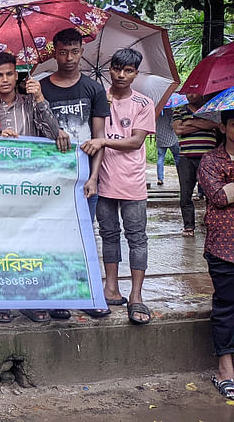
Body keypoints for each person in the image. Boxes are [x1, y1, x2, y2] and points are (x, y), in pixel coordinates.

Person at [0, 51, 67, 324]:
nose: (5, 79)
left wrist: (41, 97)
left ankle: (33, 300)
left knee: (31, 243)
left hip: (31, 184)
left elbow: (54, 134)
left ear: (16, 75)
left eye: (10, 74)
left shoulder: (31, 102)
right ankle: (1, 301)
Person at [81, 49, 155, 325]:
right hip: (102, 179)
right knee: (108, 234)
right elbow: (89, 133)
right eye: (117, 69)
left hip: (132, 181)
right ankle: (111, 288)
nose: (121, 75)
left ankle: (136, 295)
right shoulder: (97, 98)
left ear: (136, 73)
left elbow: (136, 141)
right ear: (109, 69)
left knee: (137, 237)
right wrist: (102, 105)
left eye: (128, 71)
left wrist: (103, 142)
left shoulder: (143, 103)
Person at [39, 28, 109, 222]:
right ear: (55, 53)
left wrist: (94, 178)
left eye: (74, 51)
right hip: (51, 175)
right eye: (63, 52)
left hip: (84, 175)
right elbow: (35, 131)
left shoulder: (94, 89)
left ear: (81, 52)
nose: (69, 58)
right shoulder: (41, 89)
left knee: (83, 231)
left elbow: (99, 138)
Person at [198, 109, 234, 400]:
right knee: (227, 306)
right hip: (224, 247)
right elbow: (219, 196)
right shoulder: (210, 160)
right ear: (223, 128)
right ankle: (225, 370)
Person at [173, 92, 218, 237]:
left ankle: (212, 224)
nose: (190, 95)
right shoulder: (179, 110)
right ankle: (189, 227)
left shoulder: (210, 108)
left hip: (208, 158)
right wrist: (202, 125)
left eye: (194, 92)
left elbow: (214, 124)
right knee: (185, 194)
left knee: (211, 194)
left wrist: (190, 122)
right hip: (186, 157)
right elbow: (178, 129)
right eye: (188, 92)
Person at [156, 106, 180, 186]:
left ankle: (160, 178)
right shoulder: (171, 112)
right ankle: (181, 176)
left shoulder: (157, 111)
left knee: (160, 158)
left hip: (160, 138)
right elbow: (172, 125)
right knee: (177, 158)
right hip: (171, 138)